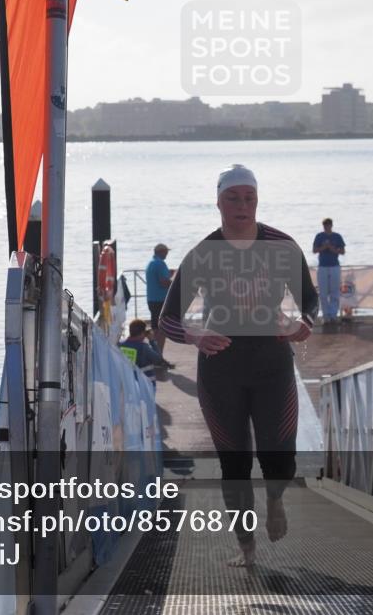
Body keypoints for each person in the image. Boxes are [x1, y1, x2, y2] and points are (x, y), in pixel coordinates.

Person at [159, 164, 318, 568]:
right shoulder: (203, 253)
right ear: (218, 202)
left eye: (249, 198)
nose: (242, 205)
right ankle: (246, 549)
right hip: (220, 371)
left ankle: (276, 498)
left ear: (257, 201)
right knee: (234, 464)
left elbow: (310, 303)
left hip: (272, 366)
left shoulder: (282, 247)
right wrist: (195, 336)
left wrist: (303, 323)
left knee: (279, 454)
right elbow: (168, 319)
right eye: (233, 198)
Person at [312, 218, 345, 324]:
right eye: (325, 225)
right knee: (323, 293)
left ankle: (333, 315)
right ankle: (326, 315)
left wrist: (332, 248)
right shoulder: (319, 236)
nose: (327, 227)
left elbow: (342, 251)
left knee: (335, 292)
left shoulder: (337, 236)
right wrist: (323, 247)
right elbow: (314, 250)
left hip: (334, 266)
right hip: (322, 266)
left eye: (328, 225)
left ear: (331, 225)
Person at [145, 243, 173, 364]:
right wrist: (175, 283)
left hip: (152, 299)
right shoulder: (160, 264)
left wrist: (169, 274)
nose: (167, 254)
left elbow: (160, 278)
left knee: (156, 327)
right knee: (161, 330)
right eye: (166, 251)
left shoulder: (151, 263)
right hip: (160, 300)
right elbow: (163, 282)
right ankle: (158, 356)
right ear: (161, 252)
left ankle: (156, 354)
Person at [118, 318, 166, 384]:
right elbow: (159, 360)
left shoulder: (120, 345)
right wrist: (152, 341)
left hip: (128, 383)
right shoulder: (143, 347)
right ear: (142, 333)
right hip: (145, 385)